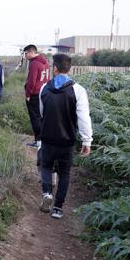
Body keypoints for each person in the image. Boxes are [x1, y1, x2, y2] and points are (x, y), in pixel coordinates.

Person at [38, 53, 92, 219]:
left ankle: (47, 192)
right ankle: (58, 208)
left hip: (47, 137)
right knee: (64, 173)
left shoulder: (44, 88)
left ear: (54, 68)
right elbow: (83, 117)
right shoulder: (78, 90)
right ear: (69, 68)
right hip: (67, 140)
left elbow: (42, 111)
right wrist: (86, 140)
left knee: (45, 166)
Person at [23, 44, 50, 148]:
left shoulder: (34, 63)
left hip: (34, 94)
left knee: (35, 118)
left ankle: (38, 142)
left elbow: (31, 81)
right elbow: (47, 77)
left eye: (26, 53)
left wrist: (28, 94)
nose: (25, 56)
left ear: (31, 52)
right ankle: (43, 140)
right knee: (42, 117)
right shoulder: (45, 61)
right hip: (44, 92)